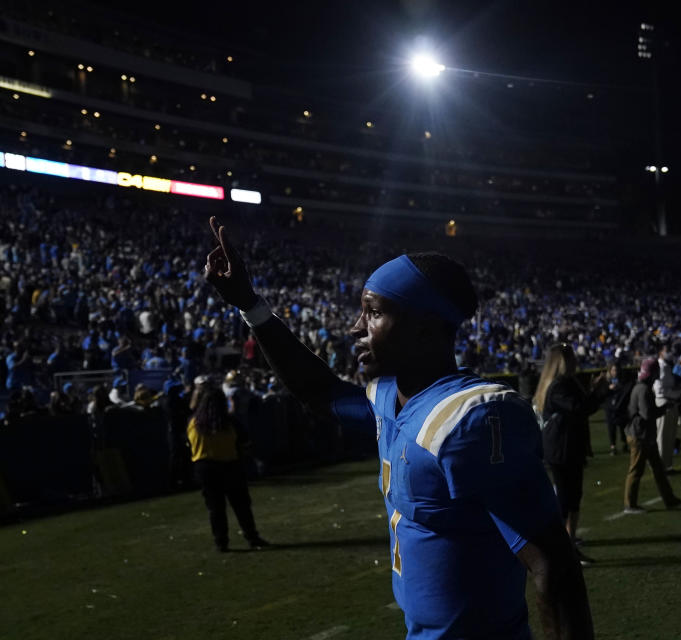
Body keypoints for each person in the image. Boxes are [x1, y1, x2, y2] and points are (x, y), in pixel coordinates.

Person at [203, 217, 593, 639]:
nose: (357, 327)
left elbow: (553, 564)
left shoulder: (470, 419)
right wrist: (250, 304)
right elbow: (322, 393)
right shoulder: (389, 397)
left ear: (423, 326)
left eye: (373, 311)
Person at [533, 343, 606, 560]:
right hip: (562, 449)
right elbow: (580, 409)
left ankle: (568, 541)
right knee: (566, 499)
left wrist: (594, 391)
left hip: (566, 447)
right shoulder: (559, 386)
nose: (575, 360)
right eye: (571, 357)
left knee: (571, 497)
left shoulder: (561, 383)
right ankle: (563, 546)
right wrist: (597, 392)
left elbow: (581, 407)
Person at [186, 383, 268, 552]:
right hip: (230, 465)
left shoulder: (194, 422)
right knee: (241, 505)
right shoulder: (229, 421)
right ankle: (252, 537)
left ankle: (221, 542)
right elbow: (245, 443)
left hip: (205, 467)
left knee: (216, 508)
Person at [623, 357, 681, 514]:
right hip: (640, 436)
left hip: (644, 435)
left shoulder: (641, 387)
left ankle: (669, 499)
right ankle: (629, 505)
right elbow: (647, 414)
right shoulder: (644, 389)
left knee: (658, 469)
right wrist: (664, 407)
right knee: (636, 471)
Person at [653, 342, 681, 472]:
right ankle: (660, 466)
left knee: (670, 436)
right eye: (667, 350)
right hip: (664, 402)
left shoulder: (666, 366)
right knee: (662, 436)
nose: (669, 352)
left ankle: (667, 465)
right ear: (661, 352)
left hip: (670, 402)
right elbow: (659, 390)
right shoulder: (660, 366)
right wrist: (677, 393)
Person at [603, 363, 629, 455]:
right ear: (610, 371)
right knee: (611, 428)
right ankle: (613, 446)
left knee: (623, 427)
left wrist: (619, 387)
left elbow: (626, 391)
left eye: (616, 370)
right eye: (613, 370)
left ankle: (624, 444)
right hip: (609, 408)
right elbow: (602, 394)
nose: (615, 372)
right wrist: (608, 388)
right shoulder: (606, 381)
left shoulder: (622, 380)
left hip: (620, 407)